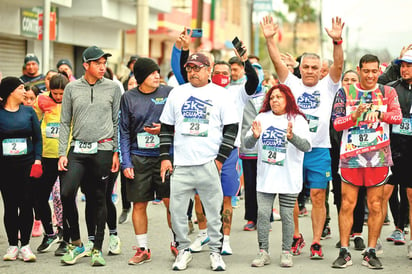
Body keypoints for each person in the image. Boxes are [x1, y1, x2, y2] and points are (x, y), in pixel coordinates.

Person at [261, 15, 344, 259]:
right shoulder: (292, 84)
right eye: (305, 67)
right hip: (292, 149)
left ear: (321, 71)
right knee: (292, 196)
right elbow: (277, 62)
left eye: (314, 68)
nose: (309, 71)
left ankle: (317, 242)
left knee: (318, 196)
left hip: (319, 150)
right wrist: (269, 40)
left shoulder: (329, 86)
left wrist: (337, 42)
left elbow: (338, 65)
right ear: (299, 67)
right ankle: (296, 235)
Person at [159, 52, 239, 271]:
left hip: (208, 163)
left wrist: (220, 160)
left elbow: (231, 128)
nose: (193, 72)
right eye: (189, 69)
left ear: (208, 70)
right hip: (181, 165)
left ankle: (215, 252)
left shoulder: (221, 95)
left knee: (214, 213)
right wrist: (165, 158)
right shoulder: (178, 93)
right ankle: (183, 250)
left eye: (197, 68)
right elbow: (166, 126)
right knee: (177, 213)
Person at [331, 54, 402, 269]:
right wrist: (353, 118)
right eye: (366, 71)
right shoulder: (345, 92)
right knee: (348, 204)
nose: (370, 75)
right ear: (359, 70)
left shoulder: (387, 92)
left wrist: (377, 113)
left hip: (378, 157)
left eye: (374, 71)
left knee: (375, 205)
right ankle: (344, 251)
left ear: (378, 72)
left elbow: (397, 117)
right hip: (351, 157)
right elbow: (336, 123)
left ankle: (370, 251)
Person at [58, 45, 121, 267]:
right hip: (78, 149)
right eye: (98, 63)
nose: (102, 67)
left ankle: (97, 248)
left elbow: (116, 122)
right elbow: (65, 121)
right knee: (66, 193)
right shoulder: (72, 88)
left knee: (99, 197)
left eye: (104, 63)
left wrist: (116, 151)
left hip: (103, 149)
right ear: (86, 65)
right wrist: (61, 153)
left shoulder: (113, 88)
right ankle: (77, 243)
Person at [245, 84, 311, 268]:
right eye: (272, 97)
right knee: (263, 214)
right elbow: (247, 143)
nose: (275, 100)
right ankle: (263, 251)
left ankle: (286, 252)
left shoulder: (297, 119)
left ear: (288, 99)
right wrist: (255, 136)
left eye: (279, 97)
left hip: (289, 177)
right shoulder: (261, 117)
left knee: (286, 215)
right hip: (266, 177)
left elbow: (306, 146)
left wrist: (292, 137)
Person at [119, 57, 174, 265]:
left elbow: (178, 120)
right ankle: (142, 249)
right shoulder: (128, 97)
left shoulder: (168, 93)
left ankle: (176, 243)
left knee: (171, 203)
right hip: (138, 156)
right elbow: (124, 131)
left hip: (164, 157)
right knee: (139, 205)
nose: (157, 76)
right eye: (152, 73)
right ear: (141, 77)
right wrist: (126, 163)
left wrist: (165, 129)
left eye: (158, 72)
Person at [0, 77, 43, 262]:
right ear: (10, 91)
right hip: (5, 167)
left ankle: (25, 246)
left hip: (27, 166)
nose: (25, 92)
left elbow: (38, 139)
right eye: (20, 88)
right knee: (10, 206)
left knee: (26, 204)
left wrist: (38, 160)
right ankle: (12, 246)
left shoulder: (28, 112)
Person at [33, 73, 69, 254]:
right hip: (46, 155)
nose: (58, 97)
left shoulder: (72, 100)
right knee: (38, 197)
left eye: (62, 93)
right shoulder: (41, 100)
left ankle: (66, 237)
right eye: (55, 93)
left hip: (65, 156)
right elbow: (31, 119)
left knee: (65, 197)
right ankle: (49, 233)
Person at [380, 49, 412, 252]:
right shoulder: (391, 88)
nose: (404, 69)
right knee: (382, 194)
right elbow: (378, 83)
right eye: (402, 65)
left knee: (410, 195)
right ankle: (374, 243)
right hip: (392, 150)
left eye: (409, 65)